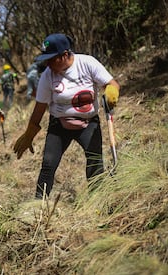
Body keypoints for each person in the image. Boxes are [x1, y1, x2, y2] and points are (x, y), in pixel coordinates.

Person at [13, 33, 120, 199]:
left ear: (64, 55)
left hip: (89, 123)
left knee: (95, 161)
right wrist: (30, 132)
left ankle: (97, 200)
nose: (47, 63)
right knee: (48, 164)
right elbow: (40, 107)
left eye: (51, 59)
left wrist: (111, 92)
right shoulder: (47, 76)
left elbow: (111, 83)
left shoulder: (87, 63)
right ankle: (38, 204)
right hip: (59, 126)